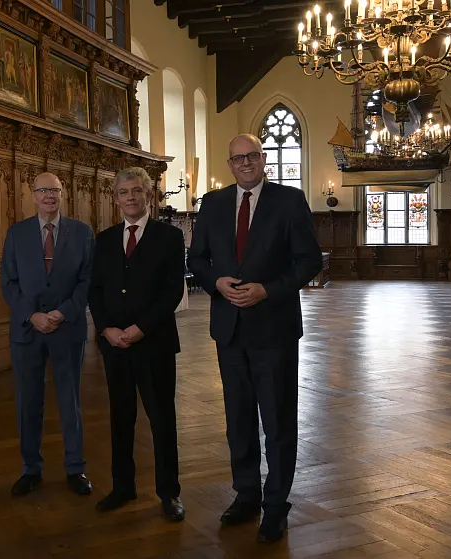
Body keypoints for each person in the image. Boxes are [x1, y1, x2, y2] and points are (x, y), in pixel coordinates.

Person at [187, 134, 322, 542]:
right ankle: (246, 494)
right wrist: (216, 282)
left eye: (252, 156)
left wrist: (269, 289)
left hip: (274, 327)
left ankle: (276, 506)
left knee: (278, 420)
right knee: (238, 419)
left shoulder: (289, 200)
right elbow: (196, 259)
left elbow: (309, 260)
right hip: (229, 328)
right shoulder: (212, 203)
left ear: (263, 159)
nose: (245, 163)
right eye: (237, 158)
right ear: (229, 164)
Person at [88, 167, 186, 522]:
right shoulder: (105, 239)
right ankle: (122, 486)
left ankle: (169, 492)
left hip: (154, 343)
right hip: (115, 345)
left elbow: (172, 291)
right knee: (121, 417)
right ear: (115, 198)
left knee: (161, 420)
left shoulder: (169, 237)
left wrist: (141, 328)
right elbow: (95, 290)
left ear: (149, 195)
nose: (130, 197)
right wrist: (106, 330)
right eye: (123, 192)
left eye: (136, 191)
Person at [1, 172, 94, 497]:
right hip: (28, 330)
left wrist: (62, 313)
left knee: (70, 402)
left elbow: (87, 281)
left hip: (67, 329)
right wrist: (33, 315)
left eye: (54, 190)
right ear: (33, 195)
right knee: (28, 402)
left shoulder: (82, 233)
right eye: (43, 191)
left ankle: (75, 469)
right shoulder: (16, 233)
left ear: (63, 193)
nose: (49, 196)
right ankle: (30, 469)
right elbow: (9, 283)